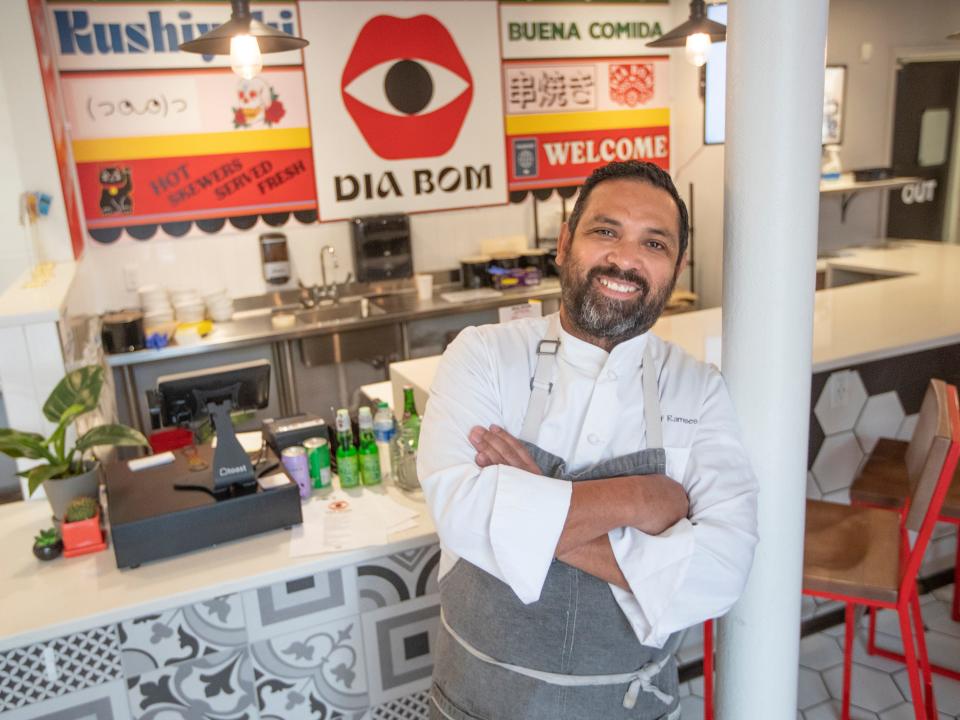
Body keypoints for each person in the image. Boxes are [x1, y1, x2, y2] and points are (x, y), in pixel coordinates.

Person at [418, 160, 759, 720]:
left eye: (654, 243)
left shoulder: (698, 391)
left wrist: (528, 500)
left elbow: (722, 570)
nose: (625, 258)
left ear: (677, 268)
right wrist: (642, 501)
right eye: (606, 231)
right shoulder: (483, 355)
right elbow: (463, 512)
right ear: (563, 243)